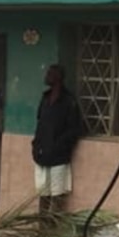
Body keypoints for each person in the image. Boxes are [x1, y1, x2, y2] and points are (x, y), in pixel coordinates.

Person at [32, 64, 83, 213]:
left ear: (58, 77)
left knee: (57, 195)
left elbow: (74, 130)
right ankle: (43, 227)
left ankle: (54, 227)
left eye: (50, 74)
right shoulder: (45, 98)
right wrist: (35, 147)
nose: (46, 76)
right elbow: (40, 124)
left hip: (59, 157)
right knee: (43, 194)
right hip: (42, 155)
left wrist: (58, 146)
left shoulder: (69, 101)